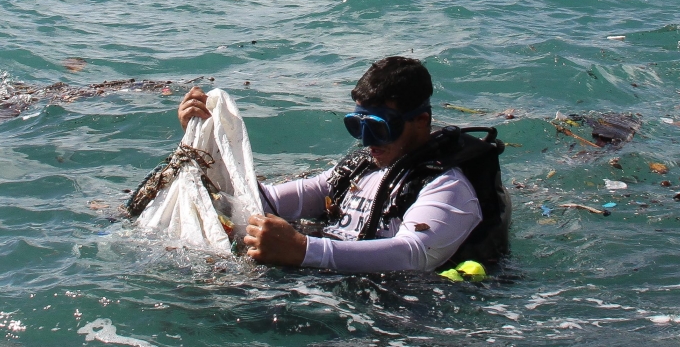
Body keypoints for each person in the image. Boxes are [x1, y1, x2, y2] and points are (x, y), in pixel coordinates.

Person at [177, 56, 510, 274]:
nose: (367, 142)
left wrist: (303, 250)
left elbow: (415, 254)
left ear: (421, 120)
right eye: (357, 127)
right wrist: (204, 142)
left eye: (379, 128)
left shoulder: (448, 187)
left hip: (395, 317)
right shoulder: (357, 170)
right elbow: (262, 201)